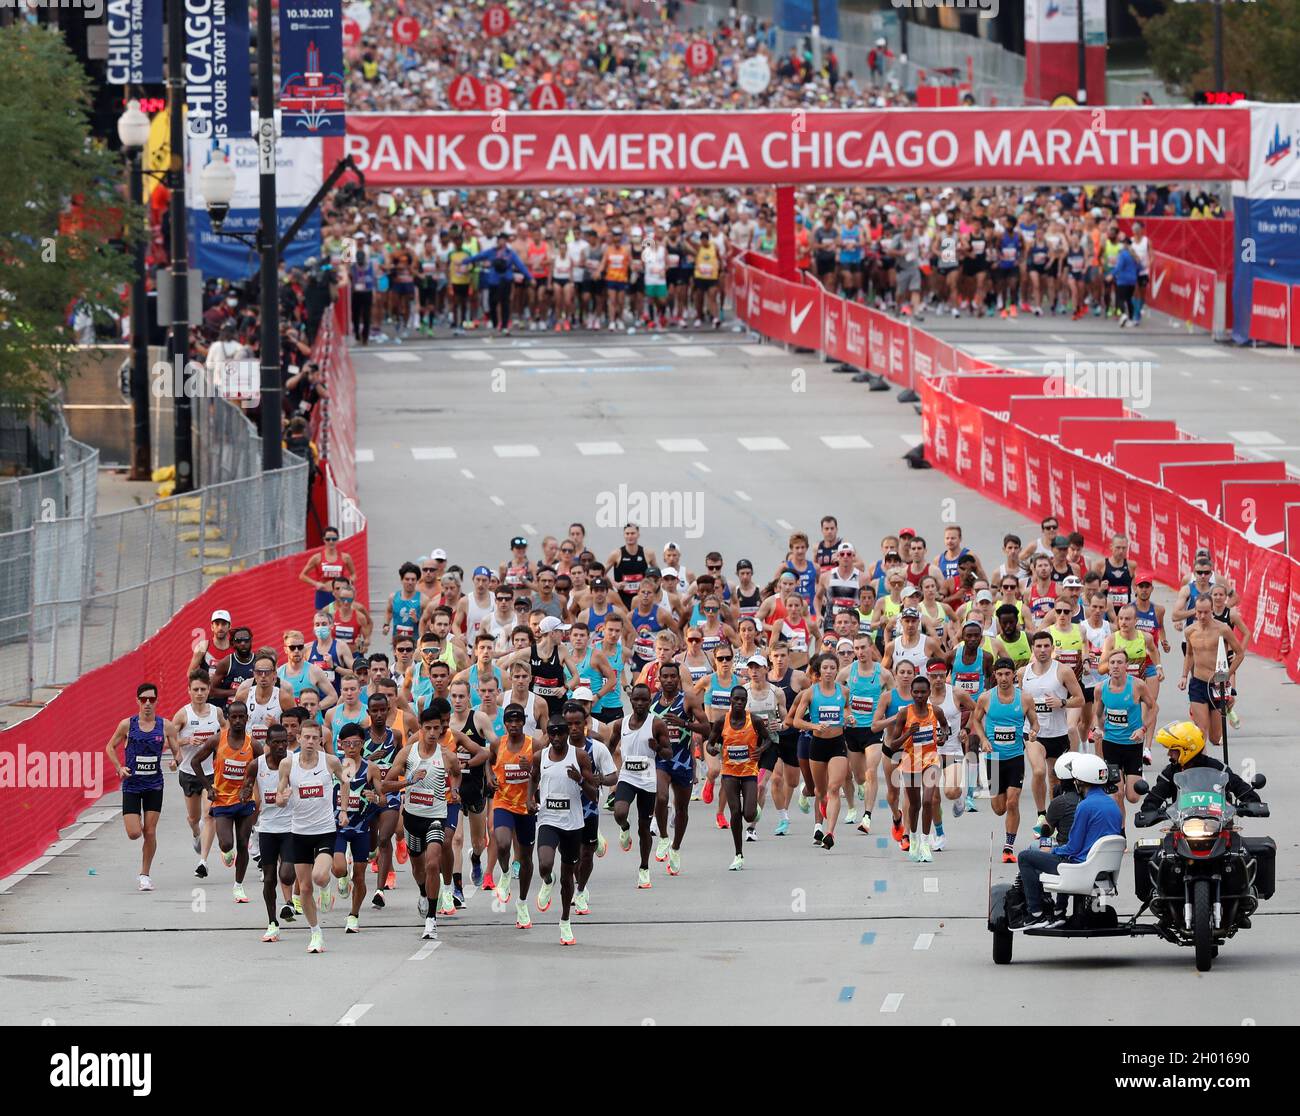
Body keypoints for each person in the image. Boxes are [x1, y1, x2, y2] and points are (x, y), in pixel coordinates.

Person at [1007, 752, 1121, 929]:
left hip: (1080, 866)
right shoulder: (1113, 804)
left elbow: (1072, 849)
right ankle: (1059, 911)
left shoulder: (1085, 806)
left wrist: (1051, 851)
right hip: (1102, 868)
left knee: (1025, 857)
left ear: (1082, 780)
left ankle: (1036, 913)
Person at [385, 701, 463, 941]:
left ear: (442, 729)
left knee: (432, 864)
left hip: (436, 817)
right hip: (412, 818)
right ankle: (422, 891)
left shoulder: (448, 757)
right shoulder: (408, 753)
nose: (431, 733)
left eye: (436, 728)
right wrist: (408, 782)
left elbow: (457, 774)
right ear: (419, 728)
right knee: (418, 867)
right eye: (427, 728)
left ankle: (431, 918)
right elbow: (387, 782)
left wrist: (456, 790)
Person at [274, 721, 346, 954]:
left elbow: (345, 781)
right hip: (299, 832)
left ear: (320, 740)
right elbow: (279, 795)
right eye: (306, 737)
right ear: (299, 737)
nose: (310, 742)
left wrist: (343, 809)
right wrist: (282, 798)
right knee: (304, 888)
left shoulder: (330, 761)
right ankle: (316, 932)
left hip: (324, 830)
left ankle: (325, 888)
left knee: (319, 875)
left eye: (315, 738)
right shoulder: (288, 763)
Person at [106, 682, 181, 891]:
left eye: (152, 699)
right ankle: (138, 830)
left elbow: (178, 752)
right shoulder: (127, 725)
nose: (147, 703)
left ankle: (144, 875)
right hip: (132, 785)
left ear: (157, 701)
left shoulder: (165, 726)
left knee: (150, 831)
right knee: (134, 833)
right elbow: (110, 747)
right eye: (143, 699)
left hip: (154, 785)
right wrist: (119, 767)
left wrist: (175, 762)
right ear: (137, 701)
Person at [531, 720, 599, 946]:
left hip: (572, 823)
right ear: (548, 734)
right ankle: (547, 880)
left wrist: (580, 780)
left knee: (568, 877)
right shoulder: (540, 757)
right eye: (553, 734)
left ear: (567, 733)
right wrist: (530, 798)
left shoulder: (579, 757)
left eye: (561, 734)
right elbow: (533, 777)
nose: (557, 738)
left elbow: (594, 795)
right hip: (548, 819)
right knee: (545, 864)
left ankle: (565, 921)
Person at [188, 700, 261, 904]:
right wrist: (208, 787)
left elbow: (265, 767)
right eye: (234, 717)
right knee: (226, 843)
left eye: (241, 717)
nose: (237, 720)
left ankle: (238, 886)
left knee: (243, 843)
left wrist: (250, 785)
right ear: (228, 718)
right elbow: (195, 762)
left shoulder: (253, 744)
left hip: (245, 800)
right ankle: (226, 852)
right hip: (221, 800)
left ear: (247, 719)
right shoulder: (217, 740)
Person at [970, 658, 1040, 864]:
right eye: (999, 674)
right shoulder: (985, 698)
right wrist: (983, 739)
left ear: (1013, 675)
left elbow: (1035, 722)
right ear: (994, 675)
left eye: (1007, 674)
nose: (1003, 678)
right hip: (994, 758)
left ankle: (1008, 846)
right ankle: (1008, 839)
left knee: (1012, 801)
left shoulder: (1025, 699)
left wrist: (1034, 732)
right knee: (999, 808)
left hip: (1015, 757)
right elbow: (976, 719)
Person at [610, 683, 674, 889]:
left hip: (647, 780)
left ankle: (644, 868)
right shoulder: (621, 724)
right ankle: (624, 827)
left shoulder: (657, 725)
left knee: (644, 828)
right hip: (628, 777)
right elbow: (610, 746)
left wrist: (658, 749)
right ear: (630, 700)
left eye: (644, 700)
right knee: (619, 812)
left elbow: (668, 754)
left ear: (650, 701)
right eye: (636, 699)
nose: (639, 703)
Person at [651, 661, 709, 875]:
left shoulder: (689, 700)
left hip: (683, 761)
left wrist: (684, 723)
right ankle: (664, 837)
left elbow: (707, 729)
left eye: (672, 676)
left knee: (682, 809)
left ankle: (675, 847)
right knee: (661, 798)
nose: (668, 680)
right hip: (661, 760)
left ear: (678, 678)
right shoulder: (653, 702)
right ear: (659, 678)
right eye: (664, 676)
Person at [1091, 649, 1158, 825]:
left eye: (1119, 662)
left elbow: (1153, 708)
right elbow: (1097, 714)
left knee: (1133, 797)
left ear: (1126, 666)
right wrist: (1098, 729)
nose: (1115, 666)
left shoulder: (1137, 686)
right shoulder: (1100, 688)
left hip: (1132, 745)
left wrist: (1143, 729)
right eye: (1112, 663)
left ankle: (1136, 777)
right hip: (1111, 744)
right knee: (1117, 794)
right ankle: (1120, 834)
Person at [1139, 721, 1259, 819]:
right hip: (1182, 827)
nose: (1169, 754)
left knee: (1246, 847)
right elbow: (1155, 797)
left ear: (1186, 749)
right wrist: (1150, 810)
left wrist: (1250, 803)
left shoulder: (1218, 768)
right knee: (1159, 847)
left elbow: (1240, 787)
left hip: (1219, 825)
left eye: (1173, 750)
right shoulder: (1170, 772)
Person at [707, 686, 770, 871]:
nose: (740, 702)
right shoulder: (721, 722)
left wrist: (761, 749)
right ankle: (738, 854)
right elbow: (711, 742)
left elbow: (768, 739)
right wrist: (711, 749)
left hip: (749, 771)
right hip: (730, 772)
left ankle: (754, 808)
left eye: (743, 699)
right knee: (735, 812)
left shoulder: (755, 721)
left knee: (749, 814)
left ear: (746, 701)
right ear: (730, 701)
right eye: (736, 699)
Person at [889, 674, 950, 863]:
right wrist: (908, 733)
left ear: (929, 693)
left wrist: (943, 737)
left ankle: (925, 842)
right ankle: (913, 838)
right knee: (914, 804)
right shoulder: (905, 714)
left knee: (929, 801)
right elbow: (892, 745)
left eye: (923, 692)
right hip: (910, 760)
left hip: (930, 759)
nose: (919, 696)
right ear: (911, 693)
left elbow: (946, 727)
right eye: (916, 692)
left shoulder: (936, 711)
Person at [488, 702, 539, 927]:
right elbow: (487, 762)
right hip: (504, 802)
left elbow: (544, 773)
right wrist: (488, 775)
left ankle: (522, 902)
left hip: (526, 806)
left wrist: (531, 769)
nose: (515, 725)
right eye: (510, 721)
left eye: (519, 720)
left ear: (524, 721)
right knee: (502, 844)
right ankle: (506, 872)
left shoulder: (534, 745)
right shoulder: (497, 744)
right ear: (505, 723)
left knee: (527, 859)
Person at [247, 724, 296, 941]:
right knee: (269, 879)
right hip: (267, 828)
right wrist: (244, 793)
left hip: (292, 827)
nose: (281, 746)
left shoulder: (295, 760)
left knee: (286, 873)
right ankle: (272, 923)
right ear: (267, 743)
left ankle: (290, 903)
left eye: (284, 741)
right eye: (276, 742)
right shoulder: (256, 765)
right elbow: (247, 786)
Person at [333, 723, 383, 932]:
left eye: (356, 743)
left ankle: (353, 915)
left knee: (360, 876)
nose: (351, 747)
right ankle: (343, 877)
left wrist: (375, 797)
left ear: (363, 744)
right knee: (338, 868)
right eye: (347, 743)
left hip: (361, 828)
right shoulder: (334, 765)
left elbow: (384, 800)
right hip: (338, 826)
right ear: (341, 744)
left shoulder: (371, 769)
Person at [1179, 595, 1244, 748]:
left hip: (1217, 685)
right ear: (1195, 611)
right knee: (1201, 733)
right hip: (1197, 684)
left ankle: (1224, 710)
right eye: (1199, 612)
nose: (1202, 616)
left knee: (1215, 738)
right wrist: (1183, 676)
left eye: (1206, 612)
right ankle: (1201, 769)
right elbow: (1189, 655)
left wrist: (1227, 675)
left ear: (1212, 610)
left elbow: (1240, 654)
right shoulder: (1189, 631)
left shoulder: (1223, 629)